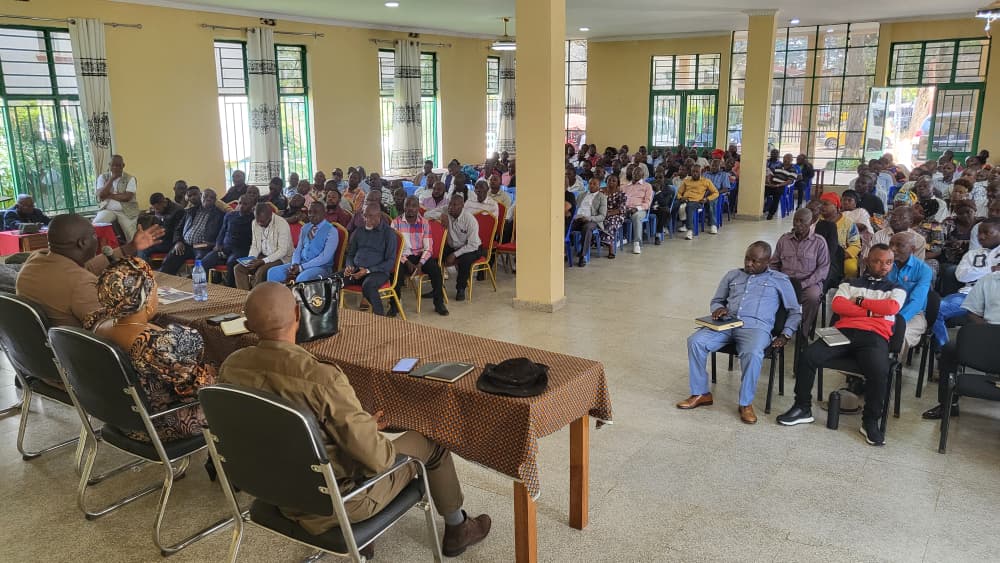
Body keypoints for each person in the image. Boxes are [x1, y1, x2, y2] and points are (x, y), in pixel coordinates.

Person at [217, 283, 490, 554]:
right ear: (298, 314)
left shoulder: (232, 366)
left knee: (352, 443)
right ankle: (459, 529)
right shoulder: (321, 378)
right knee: (431, 443)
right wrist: (366, 432)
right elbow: (378, 459)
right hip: (338, 503)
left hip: (275, 491)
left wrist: (360, 426)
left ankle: (367, 539)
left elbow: (285, 432)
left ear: (247, 325)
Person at [778, 244, 907, 445]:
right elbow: (838, 306)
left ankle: (870, 421)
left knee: (879, 370)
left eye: (888, 262)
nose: (883, 266)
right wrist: (874, 312)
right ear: (867, 261)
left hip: (874, 335)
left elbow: (891, 307)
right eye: (877, 261)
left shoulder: (897, 288)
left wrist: (859, 302)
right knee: (808, 356)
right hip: (843, 331)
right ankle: (802, 407)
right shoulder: (849, 283)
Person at [84, 258, 215, 442]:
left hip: (116, 416)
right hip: (156, 424)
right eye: (154, 288)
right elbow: (199, 387)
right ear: (145, 297)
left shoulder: (96, 323)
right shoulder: (156, 345)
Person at [677, 242, 801, 424]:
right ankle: (701, 393)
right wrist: (718, 309)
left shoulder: (779, 280)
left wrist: (785, 334)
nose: (749, 264)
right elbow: (717, 300)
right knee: (695, 341)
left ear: (767, 262)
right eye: (747, 259)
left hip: (756, 328)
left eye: (755, 261)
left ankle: (745, 403)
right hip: (727, 324)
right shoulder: (732, 275)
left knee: (753, 353)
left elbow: (795, 311)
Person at [16, 214, 163, 327]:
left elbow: (84, 268)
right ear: (83, 243)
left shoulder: (36, 259)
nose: (96, 239)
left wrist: (131, 247)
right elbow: (115, 327)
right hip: (83, 351)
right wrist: (149, 305)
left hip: (44, 346)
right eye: (94, 235)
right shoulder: (80, 283)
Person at [921, 269, 1000, 420]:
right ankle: (948, 405)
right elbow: (971, 312)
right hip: (988, 334)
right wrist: (988, 330)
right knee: (949, 350)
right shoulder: (989, 280)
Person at [930, 218, 1000, 346]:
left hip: (996, 296)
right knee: (934, 309)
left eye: (987, 232)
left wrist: (977, 272)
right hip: (969, 295)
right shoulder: (971, 254)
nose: (981, 237)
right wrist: (990, 270)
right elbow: (961, 276)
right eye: (979, 233)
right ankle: (944, 348)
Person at [771, 208, 830, 337]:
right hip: (786, 282)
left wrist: (804, 284)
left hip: (808, 283)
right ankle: (777, 329)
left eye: (802, 221)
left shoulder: (819, 242)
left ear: (811, 222)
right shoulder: (784, 240)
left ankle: (803, 332)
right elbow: (774, 264)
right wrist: (779, 281)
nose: (797, 224)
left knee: (813, 297)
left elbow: (823, 269)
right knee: (769, 292)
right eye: (795, 220)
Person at [391, 196, 449, 316]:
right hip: (403, 256)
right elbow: (394, 249)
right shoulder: (395, 223)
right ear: (403, 206)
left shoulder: (424, 223)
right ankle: (394, 305)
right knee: (395, 273)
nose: (410, 208)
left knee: (436, 270)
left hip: (420, 256)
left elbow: (428, 248)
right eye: (407, 205)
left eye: (413, 206)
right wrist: (407, 262)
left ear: (418, 208)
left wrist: (420, 264)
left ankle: (439, 303)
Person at [344, 203, 399, 316]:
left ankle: (379, 317)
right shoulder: (359, 231)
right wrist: (349, 266)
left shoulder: (388, 233)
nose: (366, 219)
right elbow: (350, 254)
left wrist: (368, 270)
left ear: (378, 216)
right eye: (364, 216)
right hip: (356, 270)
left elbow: (390, 262)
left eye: (370, 216)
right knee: (334, 281)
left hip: (378, 272)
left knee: (368, 286)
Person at [266, 202, 339, 285]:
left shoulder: (331, 231)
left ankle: (293, 293)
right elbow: (298, 249)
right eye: (310, 212)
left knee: (302, 278)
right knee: (273, 272)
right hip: (301, 263)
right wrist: (295, 264)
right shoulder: (305, 227)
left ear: (324, 213)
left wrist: (301, 267)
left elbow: (325, 257)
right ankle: (276, 294)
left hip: (321, 267)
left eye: (316, 212)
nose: (311, 215)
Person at [159, 188, 226, 275]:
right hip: (184, 245)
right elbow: (178, 229)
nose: (208, 199)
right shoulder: (190, 211)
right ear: (201, 197)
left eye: (212, 197)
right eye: (206, 196)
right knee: (169, 262)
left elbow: (223, 234)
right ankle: (163, 281)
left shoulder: (220, 215)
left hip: (202, 247)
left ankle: (193, 281)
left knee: (200, 267)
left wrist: (212, 244)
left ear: (215, 200)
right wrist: (178, 241)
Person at [886, 232, 932, 349]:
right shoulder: (884, 264)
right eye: (891, 244)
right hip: (884, 309)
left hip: (912, 314)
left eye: (899, 245)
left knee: (900, 336)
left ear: (912, 249)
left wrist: (897, 321)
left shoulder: (923, 270)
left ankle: (892, 359)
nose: (892, 249)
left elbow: (916, 302)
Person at [234, 203, 293, 290]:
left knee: (261, 272)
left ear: (270, 215)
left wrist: (263, 261)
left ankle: (256, 296)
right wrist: (251, 259)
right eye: (257, 220)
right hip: (263, 256)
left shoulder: (282, 224)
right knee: (238, 269)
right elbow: (255, 245)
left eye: (262, 221)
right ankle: (244, 295)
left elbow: (282, 251)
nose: (259, 223)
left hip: (281, 258)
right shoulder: (255, 222)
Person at [201, 194, 255, 287]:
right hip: (224, 248)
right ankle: (203, 288)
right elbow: (222, 232)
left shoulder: (254, 219)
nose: (241, 206)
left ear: (252, 206)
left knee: (231, 263)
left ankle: (231, 289)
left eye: (245, 204)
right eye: (240, 203)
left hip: (241, 249)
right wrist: (218, 244)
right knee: (204, 262)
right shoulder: (230, 215)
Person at [441, 194, 481, 302]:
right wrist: (441, 215)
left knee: (465, 260)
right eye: (450, 204)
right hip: (452, 246)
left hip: (471, 247)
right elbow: (427, 214)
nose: (451, 207)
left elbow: (473, 244)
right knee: (436, 256)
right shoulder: (446, 210)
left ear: (462, 206)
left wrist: (454, 254)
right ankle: (438, 287)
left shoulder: (470, 220)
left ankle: (461, 288)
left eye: (455, 205)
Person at [93, 154, 140, 241]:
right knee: (96, 225)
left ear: (123, 166)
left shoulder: (130, 178)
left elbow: (127, 197)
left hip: (126, 211)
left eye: (118, 165)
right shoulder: (102, 177)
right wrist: (112, 178)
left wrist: (109, 195)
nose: (115, 168)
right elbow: (101, 196)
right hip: (108, 210)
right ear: (109, 165)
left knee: (131, 235)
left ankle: (133, 249)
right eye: (113, 165)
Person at [672, 164, 719, 240]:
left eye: (697, 172)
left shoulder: (706, 181)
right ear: (690, 172)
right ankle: (666, 226)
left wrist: (707, 199)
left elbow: (716, 193)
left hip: (696, 201)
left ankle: (690, 231)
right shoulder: (686, 181)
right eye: (693, 171)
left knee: (689, 207)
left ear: (701, 172)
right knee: (672, 205)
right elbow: (679, 192)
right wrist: (681, 197)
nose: (695, 173)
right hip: (685, 199)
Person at [818, 200, 862, 279]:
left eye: (825, 204)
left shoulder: (848, 223)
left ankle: (847, 285)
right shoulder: (817, 221)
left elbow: (855, 245)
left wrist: (840, 256)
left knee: (851, 268)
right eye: (821, 204)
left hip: (843, 255)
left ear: (835, 205)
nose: (822, 207)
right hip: (819, 254)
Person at [571, 178, 608, 267]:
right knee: (564, 226)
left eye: (594, 184)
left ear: (599, 186)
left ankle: (582, 256)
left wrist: (589, 218)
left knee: (587, 228)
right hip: (578, 218)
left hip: (591, 220)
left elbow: (602, 216)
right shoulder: (581, 195)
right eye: (590, 183)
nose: (591, 185)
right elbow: (574, 209)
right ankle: (563, 251)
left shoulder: (602, 197)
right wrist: (574, 216)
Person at [137, 193, 184, 260]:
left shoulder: (178, 211)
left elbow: (179, 230)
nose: (156, 211)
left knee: (143, 248)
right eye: (154, 208)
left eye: (157, 209)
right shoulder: (160, 207)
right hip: (161, 238)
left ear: (164, 203)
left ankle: (142, 265)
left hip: (172, 241)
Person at [620, 167, 654, 254]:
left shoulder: (647, 186)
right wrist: (624, 208)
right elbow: (621, 200)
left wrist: (636, 208)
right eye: (634, 172)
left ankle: (637, 243)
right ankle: (619, 238)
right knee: (613, 215)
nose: (636, 174)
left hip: (639, 210)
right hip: (626, 209)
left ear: (642, 175)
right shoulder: (626, 186)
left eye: (638, 172)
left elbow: (647, 203)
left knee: (636, 217)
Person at [601, 174, 627, 259]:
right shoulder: (601, 192)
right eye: (609, 180)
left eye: (614, 181)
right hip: (602, 213)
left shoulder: (621, 194)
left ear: (617, 183)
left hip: (617, 215)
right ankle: (597, 241)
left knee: (610, 222)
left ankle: (611, 247)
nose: (611, 182)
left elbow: (621, 209)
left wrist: (608, 214)